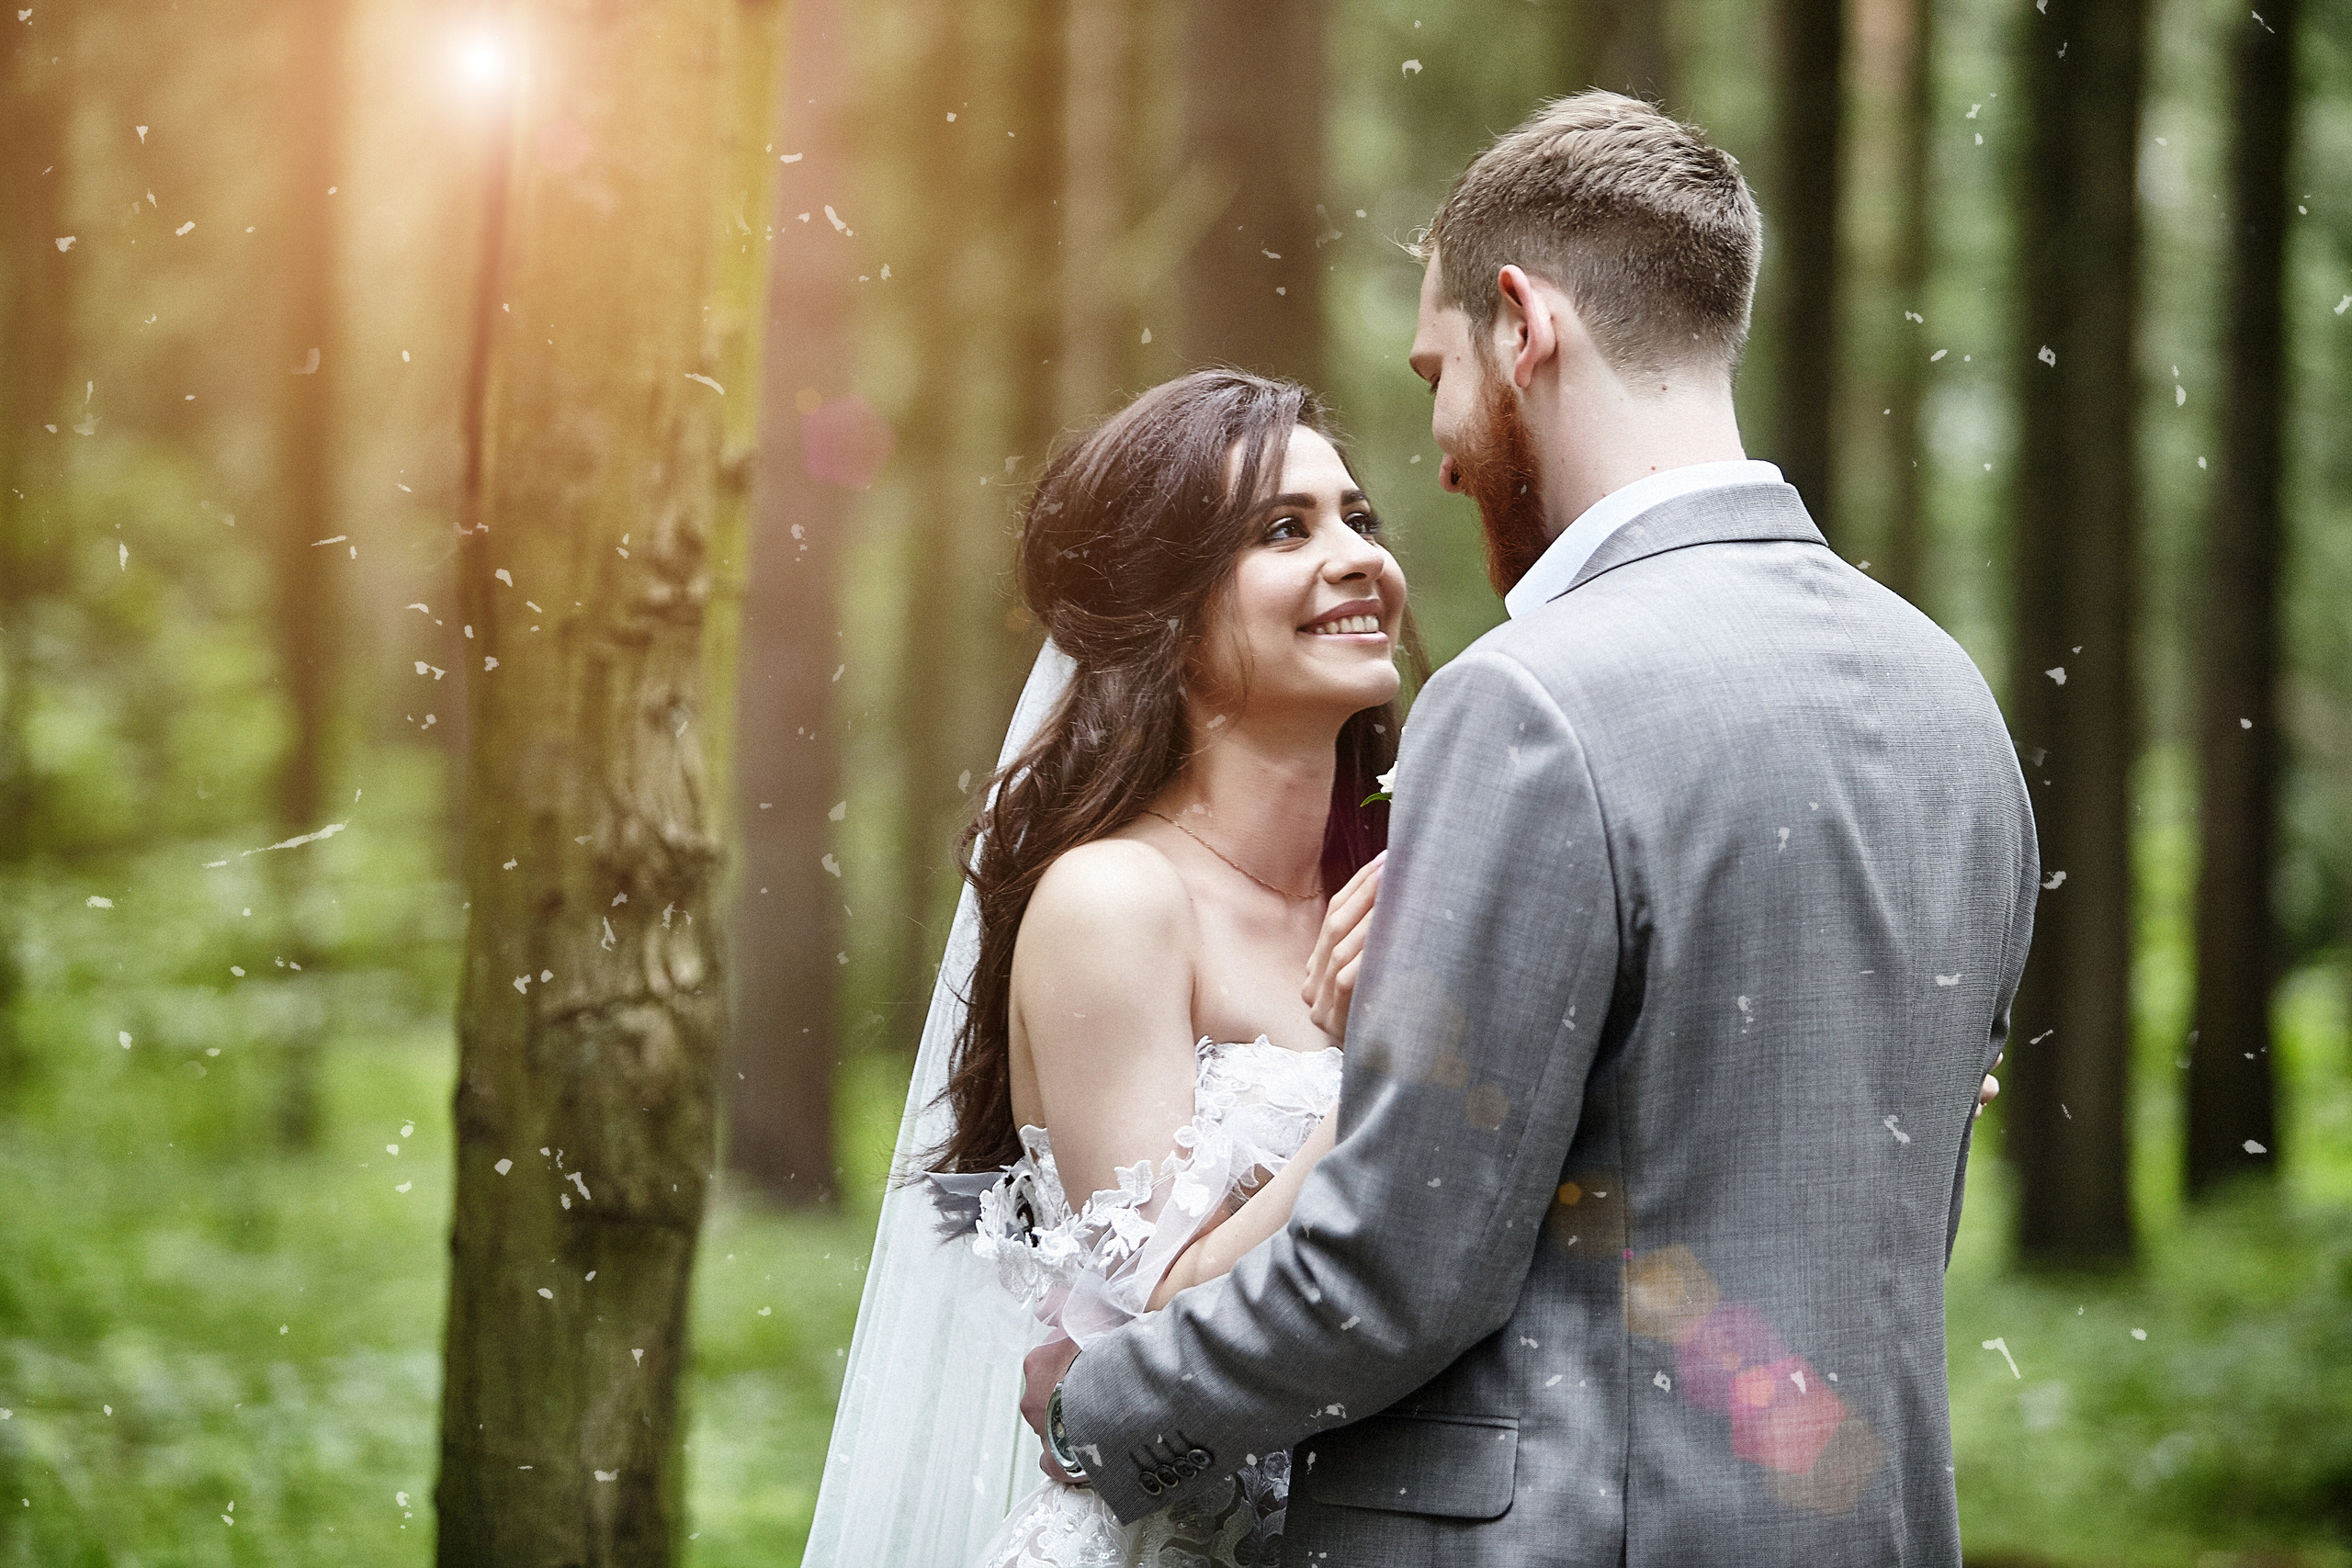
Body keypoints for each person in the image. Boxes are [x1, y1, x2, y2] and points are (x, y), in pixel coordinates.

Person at [1022, 91, 2038, 1565]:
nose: (1438, 449)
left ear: (1523, 322)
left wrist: (1101, 1410)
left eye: (1436, 372)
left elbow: (1395, 1267)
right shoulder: (1951, 699)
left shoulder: (1531, 703)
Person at [798, 368, 1414, 1568]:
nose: (1356, 556)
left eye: (1358, 517)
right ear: (1171, 620)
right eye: (1286, 529)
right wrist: (1397, 1071)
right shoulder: (1115, 900)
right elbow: (1171, 1316)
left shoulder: (1399, 890)